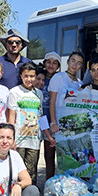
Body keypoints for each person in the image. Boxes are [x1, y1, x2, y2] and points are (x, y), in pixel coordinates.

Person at [7, 62, 46, 182]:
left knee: (31, 172)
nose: (29, 79)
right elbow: (11, 117)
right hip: (19, 140)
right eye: (26, 76)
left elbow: (41, 115)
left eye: (32, 76)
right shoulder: (14, 92)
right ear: (21, 76)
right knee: (15, 171)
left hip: (34, 140)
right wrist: (11, 138)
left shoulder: (39, 94)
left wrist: (47, 134)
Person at [49, 50, 84, 136]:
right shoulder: (58, 77)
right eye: (73, 61)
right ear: (68, 61)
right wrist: (53, 123)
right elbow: (52, 101)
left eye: (78, 63)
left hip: (74, 126)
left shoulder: (80, 84)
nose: (74, 65)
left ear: (81, 66)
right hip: (59, 125)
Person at [42, 52, 61, 180]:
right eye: (49, 62)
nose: (51, 65)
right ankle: (48, 183)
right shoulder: (40, 79)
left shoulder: (61, 79)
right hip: (43, 122)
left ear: (58, 66)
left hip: (56, 124)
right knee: (48, 157)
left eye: (54, 63)